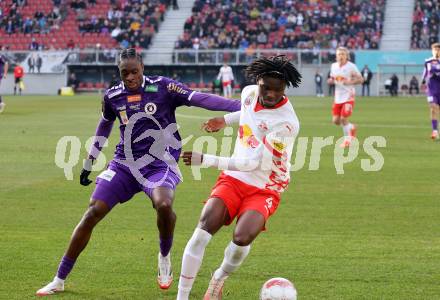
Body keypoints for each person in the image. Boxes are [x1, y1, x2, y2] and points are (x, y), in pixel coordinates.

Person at [35, 48, 241, 296]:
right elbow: (104, 127)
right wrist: (90, 161)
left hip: (160, 163)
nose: (130, 77)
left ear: (142, 67)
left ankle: (164, 256)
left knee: (164, 205)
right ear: (119, 73)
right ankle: (59, 279)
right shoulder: (113, 96)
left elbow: (200, 98)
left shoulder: (164, 87)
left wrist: (241, 107)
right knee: (93, 211)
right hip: (124, 163)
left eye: (134, 71)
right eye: (125, 73)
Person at [177, 55, 301, 300]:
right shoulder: (249, 93)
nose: (271, 94)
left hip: (265, 185)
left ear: (285, 88)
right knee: (203, 228)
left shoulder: (286, 123)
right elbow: (245, 113)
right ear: (258, 82)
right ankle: (182, 297)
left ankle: (219, 277)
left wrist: (208, 159)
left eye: (278, 90)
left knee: (242, 237)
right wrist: (223, 120)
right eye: (267, 87)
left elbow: (253, 163)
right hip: (233, 178)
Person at [327, 47, 364, 148]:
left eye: (343, 54)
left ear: (347, 56)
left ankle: (347, 141)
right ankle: (352, 127)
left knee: (343, 119)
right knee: (336, 121)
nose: (341, 56)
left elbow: (361, 79)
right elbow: (333, 78)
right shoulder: (333, 66)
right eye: (339, 54)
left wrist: (350, 82)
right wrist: (330, 81)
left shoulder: (351, 66)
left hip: (348, 96)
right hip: (338, 97)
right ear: (336, 56)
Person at [422, 43, 440, 139]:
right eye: (434, 49)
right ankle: (435, 131)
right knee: (433, 108)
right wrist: (422, 81)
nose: (436, 51)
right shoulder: (428, 61)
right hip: (432, 88)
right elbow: (425, 73)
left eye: (438, 49)